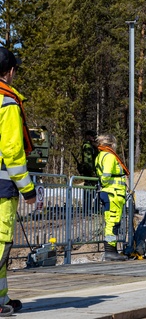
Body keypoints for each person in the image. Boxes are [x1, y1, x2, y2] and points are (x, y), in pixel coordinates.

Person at [0, 47, 37, 316]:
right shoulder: (7, 103)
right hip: (1, 187)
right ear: (10, 72)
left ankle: (2, 298)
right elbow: (13, 153)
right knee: (0, 243)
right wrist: (28, 190)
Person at [95, 134, 128, 261]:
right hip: (113, 193)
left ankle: (112, 250)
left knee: (112, 223)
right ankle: (110, 250)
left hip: (111, 193)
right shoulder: (109, 156)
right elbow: (106, 175)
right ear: (111, 144)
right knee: (112, 224)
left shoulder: (100, 156)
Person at [78, 130, 98, 214]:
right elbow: (88, 161)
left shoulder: (92, 146)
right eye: (92, 136)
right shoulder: (87, 146)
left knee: (94, 191)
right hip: (90, 173)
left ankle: (93, 208)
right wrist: (92, 173)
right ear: (88, 136)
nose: (94, 138)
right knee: (89, 190)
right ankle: (87, 209)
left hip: (93, 172)